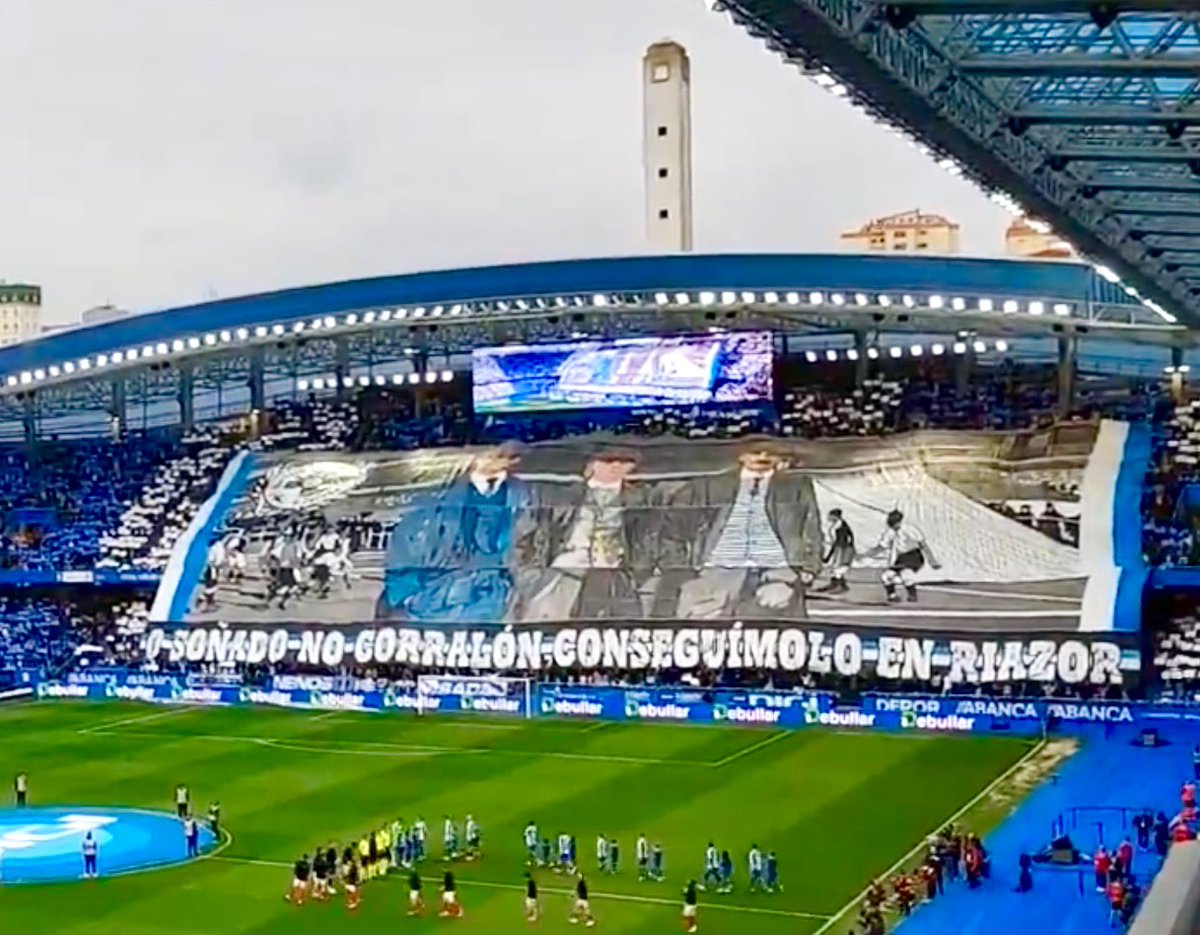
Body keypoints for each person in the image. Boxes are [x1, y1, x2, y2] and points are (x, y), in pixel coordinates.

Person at [867, 509, 941, 603]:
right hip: (900, 558)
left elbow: (923, 544)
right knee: (885, 576)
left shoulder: (909, 529)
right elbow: (882, 547)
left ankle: (912, 595)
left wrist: (932, 560)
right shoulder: (890, 532)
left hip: (913, 556)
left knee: (906, 575)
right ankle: (892, 596)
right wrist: (866, 554)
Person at [818, 508, 855, 593]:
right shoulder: (838, 525)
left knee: (838, 568)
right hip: (840, 548)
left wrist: (830, 555)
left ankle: (840, 586)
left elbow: (840, 541)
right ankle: (836, 584)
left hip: (843, 549)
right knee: (835, 567)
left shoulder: (840, 527)